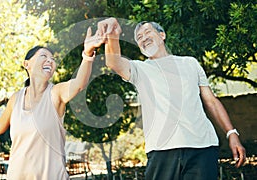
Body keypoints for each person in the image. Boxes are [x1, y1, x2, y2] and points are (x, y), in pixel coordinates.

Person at [96, 18, 246, 180]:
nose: (143, 38)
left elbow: (211, 101)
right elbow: (113, 62)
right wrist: (112, 34)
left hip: (202, 148)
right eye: (139, 38)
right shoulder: (140, 69)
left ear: (162, 35)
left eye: (147, 32)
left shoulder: (190, 63)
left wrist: (232, 133)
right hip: (162, 150)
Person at [0, 27, 104, 179]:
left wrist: (88, 54)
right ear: (27, 64)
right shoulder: (16, 99)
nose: (50, 61)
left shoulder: (56, 93)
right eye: (43, 56)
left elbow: (79, 83)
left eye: (52, 59)